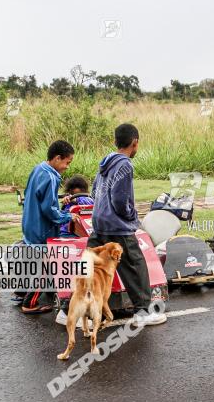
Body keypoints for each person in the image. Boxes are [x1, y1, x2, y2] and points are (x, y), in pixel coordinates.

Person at [79, 123, 166, 325]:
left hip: (99, 223)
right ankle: (143, 313)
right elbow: (120, 200)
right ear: (134, 143)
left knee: (91, 268)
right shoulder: (125, 164)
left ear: (116, 141)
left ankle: (70, 311)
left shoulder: (104, 163)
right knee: (135, 266)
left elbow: (93, 194)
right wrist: (130, 214)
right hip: (117, 226)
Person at [18, 140, 75, 313]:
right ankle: (29, 303)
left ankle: (27, 291)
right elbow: (49, 210)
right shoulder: (51, 177)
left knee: (36, 263)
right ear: (58, 158)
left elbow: (34, 196)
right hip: (41, 229)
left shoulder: (38, 169)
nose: (67, 167)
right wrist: (68, 216)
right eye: (67, 162)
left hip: (30, 224)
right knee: (45, 266)